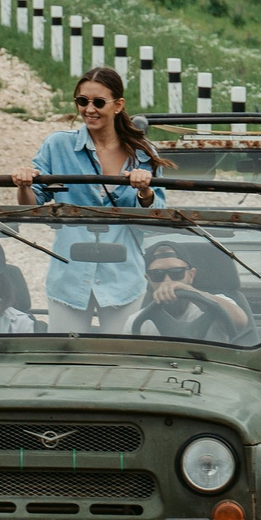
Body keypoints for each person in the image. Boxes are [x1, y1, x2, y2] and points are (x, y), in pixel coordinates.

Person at [14, 67, 161, 331]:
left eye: (98, 102)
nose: (89, 109)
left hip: (123, 276)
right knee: (66, 352)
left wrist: (145, 192)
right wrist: (24, 184)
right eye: (82, 101)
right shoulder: (58, 145)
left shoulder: (143, 153)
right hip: (69, 275)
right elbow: (31, 207)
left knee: (122, 352)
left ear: (118, 105)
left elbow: (156, 221)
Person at [130, 238, 253, 345]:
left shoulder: (217, 303)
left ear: (191, 275)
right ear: (148, 279)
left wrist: (190, 292)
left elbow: (240, 322)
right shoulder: (137, 321)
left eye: (176, 273)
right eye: (157, 274)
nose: (167, 281)